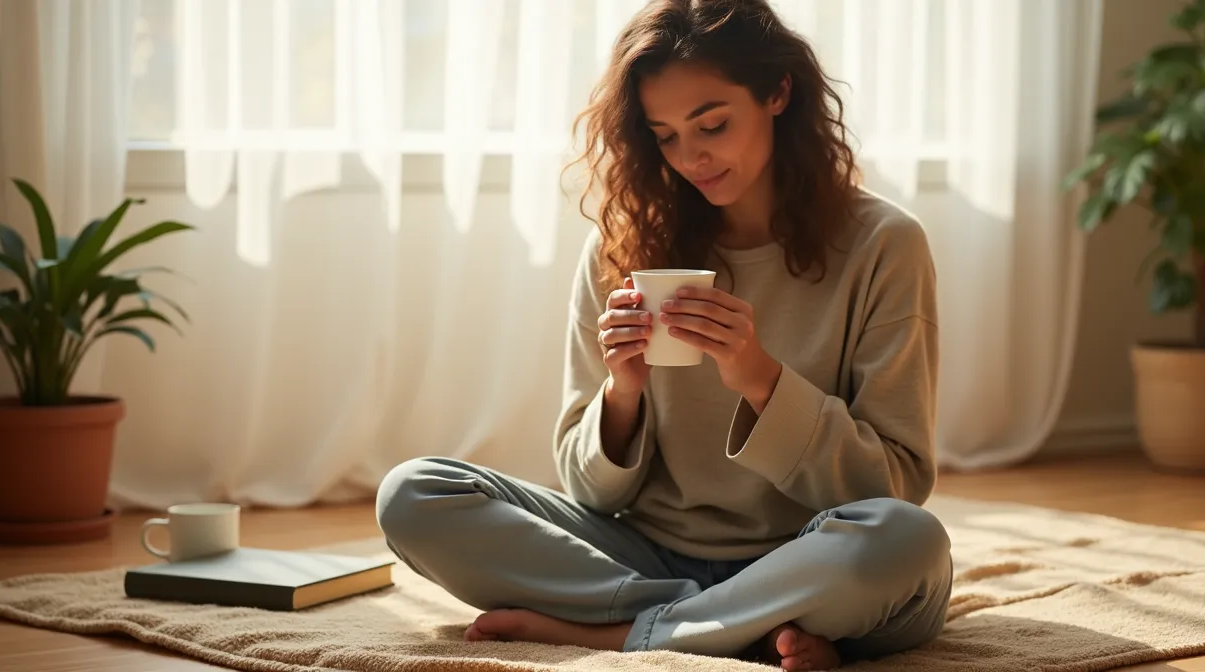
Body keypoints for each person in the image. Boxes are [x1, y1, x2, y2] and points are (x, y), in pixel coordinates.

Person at [375, 0, 951, 669]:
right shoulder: (621, 247)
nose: (691, 156)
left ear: (778, 93)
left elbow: (896, 487)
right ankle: (733, 626)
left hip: (807, 549)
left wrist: (761, 381)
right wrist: (623, 393)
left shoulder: (886, 245)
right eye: (666, 135)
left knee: (906, 542)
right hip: (645, 551)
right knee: (414, 494)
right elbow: (589, 494)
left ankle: (621, 633)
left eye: (711, 124)